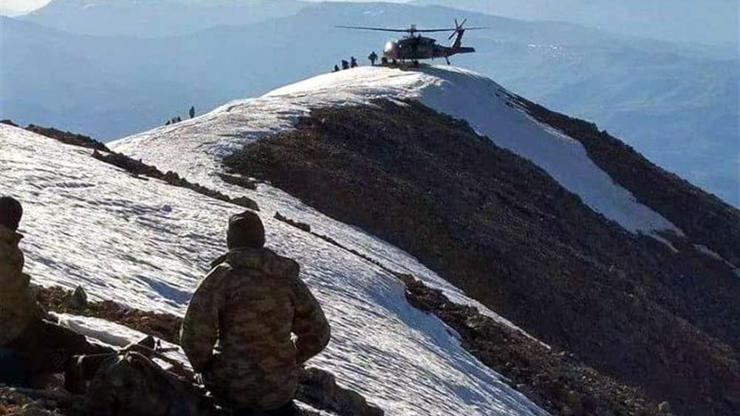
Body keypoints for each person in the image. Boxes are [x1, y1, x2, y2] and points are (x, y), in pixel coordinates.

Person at [181, 211, 331, 415]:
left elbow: (194, 337)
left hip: (230, 388)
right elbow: (319, 333)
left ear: (230, 239)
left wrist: (207, 367)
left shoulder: (222, 277)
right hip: (279, 391)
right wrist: (286, 360)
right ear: (261, 239)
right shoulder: (287, 280)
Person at [0, 196, 111, 388]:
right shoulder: (5, 251)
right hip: (8, 329)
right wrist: (37, 309)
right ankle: (112, 365)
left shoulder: (6, 247)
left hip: (9, 323)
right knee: (66, 345)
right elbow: (15, 297)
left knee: (59, 341)